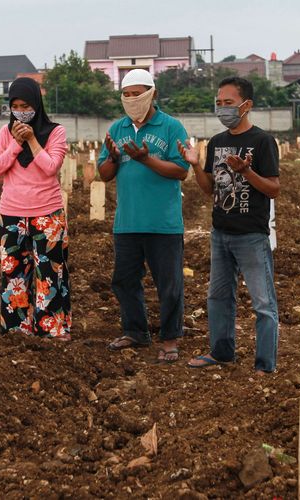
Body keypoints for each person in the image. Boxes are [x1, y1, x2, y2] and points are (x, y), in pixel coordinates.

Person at [177, 76, 280, 375]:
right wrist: (196, 164)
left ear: (246, 105)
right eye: (219, 103)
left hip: (251, 235)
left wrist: (246, 171)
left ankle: (265, 365)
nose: (222, 109)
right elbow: (209, 189)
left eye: (229, 103)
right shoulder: (218, 143)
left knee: (263, 302)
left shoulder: (262, 141)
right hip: (220, 232)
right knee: (218, 296)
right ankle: (221, 353)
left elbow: (273, 189)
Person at [97, 69, 190, 363]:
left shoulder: (171, 127)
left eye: (138, 94)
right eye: (126, 94)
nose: (132, 99)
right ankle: (135, 330)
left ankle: (170, 338)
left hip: (163, 223)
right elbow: (105, 174)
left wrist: (146, 159)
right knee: (124, 281)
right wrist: (113, 158)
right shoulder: (117, 129)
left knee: (169, 284)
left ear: (153, 94)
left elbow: (182, 170)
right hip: (127, 222)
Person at [0, 77, 71, 340]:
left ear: (36, 104)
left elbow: (50, 168)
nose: (20, 111)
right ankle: (16, 328)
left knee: (49, 273)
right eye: (15, 105)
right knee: (14, 272)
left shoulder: (55, 132)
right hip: (12, 213)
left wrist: (33, 141)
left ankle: (52, 328)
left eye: (26, 105)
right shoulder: (5, 133)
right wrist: (15, 144)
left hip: (47, 214)